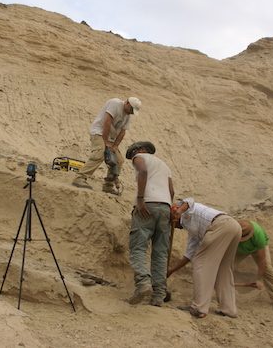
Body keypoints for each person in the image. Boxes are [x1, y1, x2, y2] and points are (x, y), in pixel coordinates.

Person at [167, 198, 241, 319]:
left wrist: (179, 211)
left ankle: (199, 307)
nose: (174, 227)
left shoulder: (186, 211)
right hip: (233, 226)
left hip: (220, 225)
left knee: (201, 263)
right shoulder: (193, 230)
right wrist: (171, 271)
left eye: (172, 223)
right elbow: (189, 255)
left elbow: (189, 201)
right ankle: (229, 309)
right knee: (223, 269)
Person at [126, 141, 174, 306]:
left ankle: (143, 283)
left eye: (133, 154)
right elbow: (171, 191)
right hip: (165, 207)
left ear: (139, 150)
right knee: (160, 253)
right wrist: (166, 209)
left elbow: (143, 171)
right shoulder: (164, 165)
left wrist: (140, 199)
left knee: (138, 247)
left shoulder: (140, 157)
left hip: (148, 205)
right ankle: (158, 296)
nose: (133, 158)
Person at [72, 97, 141, 195]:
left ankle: (108, 185)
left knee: (118, 160)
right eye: (131, 109)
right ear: (127, 103)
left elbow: (122, 131)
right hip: (99, 132)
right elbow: (107, 122)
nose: (131, 112)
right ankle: (79, 178)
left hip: (110, 139)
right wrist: (105, 141)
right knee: (99, 153)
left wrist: (115, 145)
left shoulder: (128, 115)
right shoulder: (115, 104)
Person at [235, 220, 273, 310]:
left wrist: (259, 279)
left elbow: (262, 260)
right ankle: (219, 294)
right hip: (239, 250)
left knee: (267, 269)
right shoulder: (231, 230)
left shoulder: (258, 235)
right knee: (225, 267)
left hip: (256, 249)